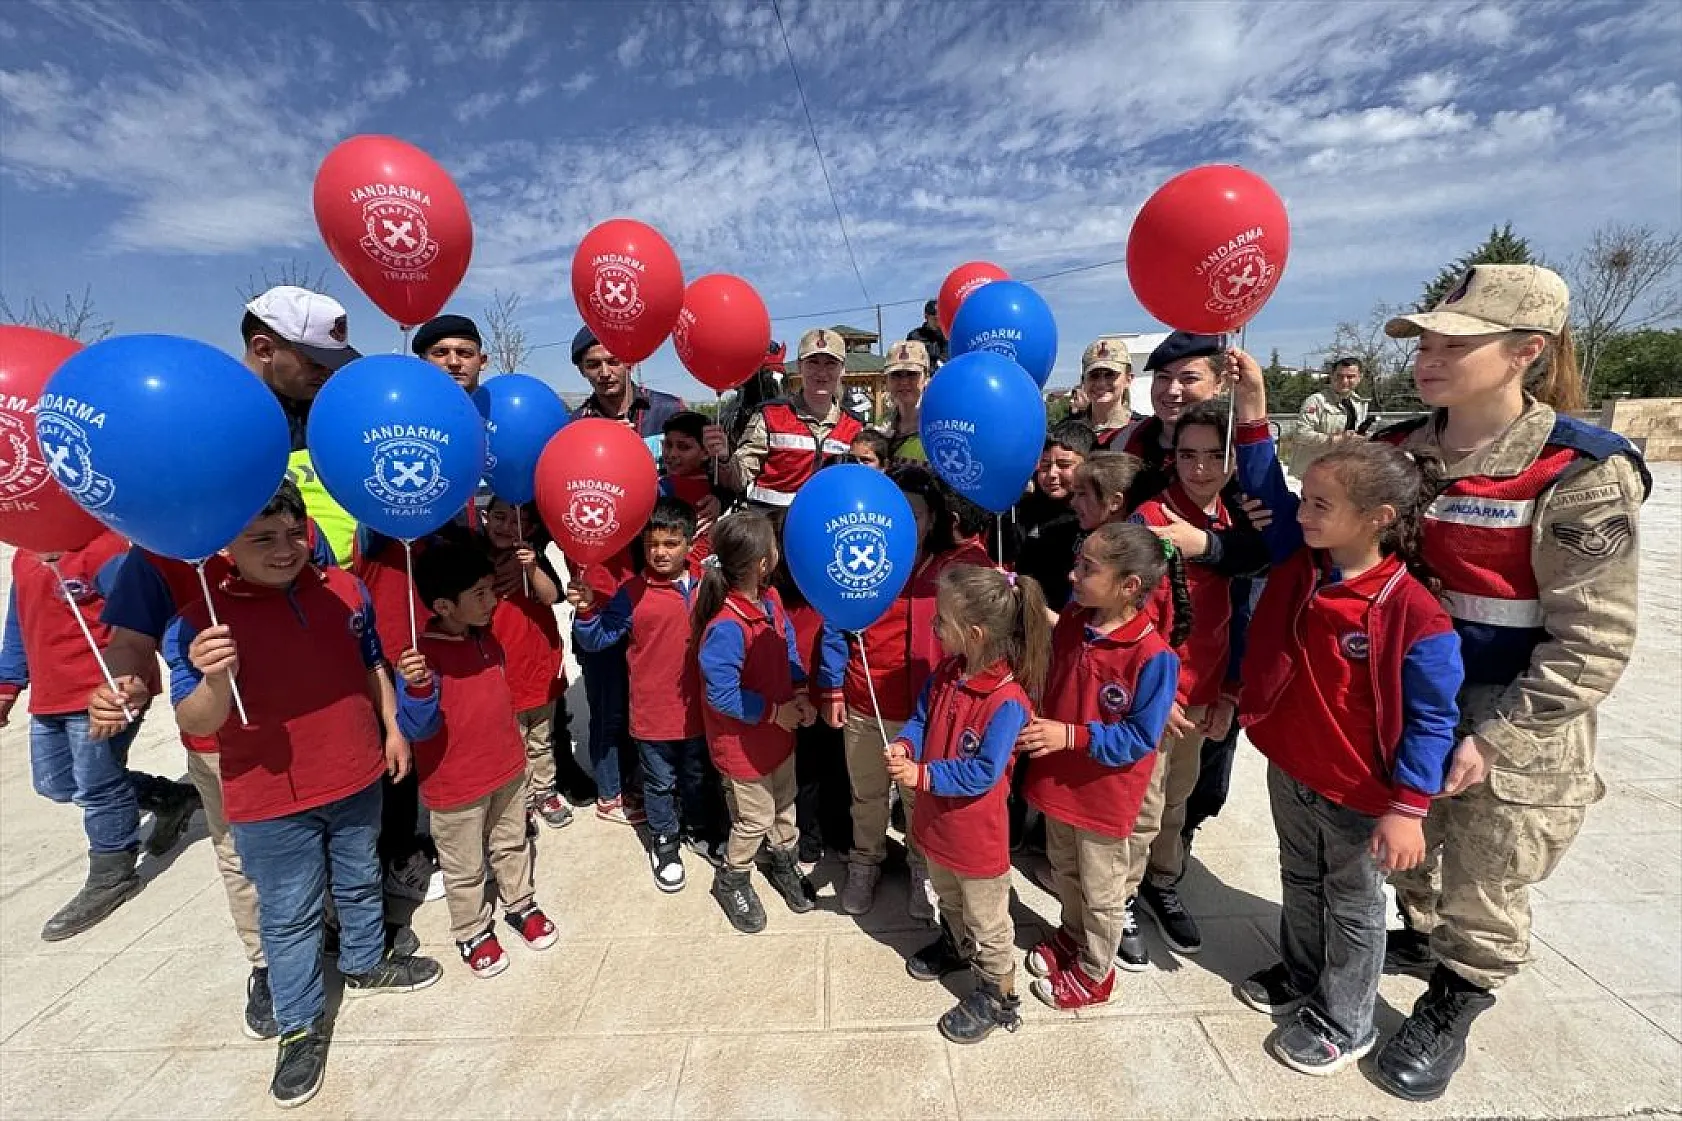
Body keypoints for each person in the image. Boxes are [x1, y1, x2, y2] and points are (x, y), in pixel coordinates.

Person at [1371, 265, 1649, 1100]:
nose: (1430, 355)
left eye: (1456, 341)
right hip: (1413, 702)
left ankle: (1457, 995)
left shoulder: (1578, 470)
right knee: (1411, 851)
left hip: (1508, 715)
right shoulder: (1399, 452)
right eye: (1425, 339)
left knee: (1488, 873)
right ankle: (1419, 934)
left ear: (1526, 351)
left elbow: (1593, 639)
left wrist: (1498, 739)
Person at [163, 480, 441, 1108]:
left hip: (355, 771)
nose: (284, 548)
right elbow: (198, 721)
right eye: (262, 538)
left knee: (358, 876)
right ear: (227, 544)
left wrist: (393, 728)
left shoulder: (344, 589)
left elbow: (373, 662)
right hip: (268, 796)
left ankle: (367, 961)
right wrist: (213, 678)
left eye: (294, 532)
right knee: (288, 914)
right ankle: (299, 1024)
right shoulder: (198, 624)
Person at [1229, 357, 1463, 1077]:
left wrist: (1409, 807)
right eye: (1307, 501)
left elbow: (1430, 719)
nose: (1302, 513)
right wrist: (1256, 407)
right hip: (1292, 770)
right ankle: (1300, 974)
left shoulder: (1411, 612)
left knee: (1358, 907)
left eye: (1321, 504)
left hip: (1361, 795)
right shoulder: (1304, 561)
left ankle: (1345, 1017)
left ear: (1378, 519)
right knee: (1298, 879)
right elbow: (1265, 481)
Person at [0, 532, 198, 941]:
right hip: (50, 694)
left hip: (104, 691)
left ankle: (113, 870)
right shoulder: (25, 554)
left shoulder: (103, 550)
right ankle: (170, 797)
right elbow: (18, 625)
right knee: (55, 783)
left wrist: (171, 675)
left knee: (98, 784)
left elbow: (144, 617)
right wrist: (7, 683)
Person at [1020, 522, 1183, 1009]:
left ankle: (1096, 973)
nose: (1073, 576)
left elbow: (1138, 739)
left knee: (1102, 889)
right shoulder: (1075, 617)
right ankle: (1071, 938)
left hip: (1105, 797)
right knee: (1065, 871)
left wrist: (1068, 735)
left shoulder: (1153, 656)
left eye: (1087, 569)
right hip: (1059, 782)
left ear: (1129, 586)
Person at [888, 566, 1047, 1044]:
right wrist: (906, 746)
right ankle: (958, 946)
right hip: (937, 825)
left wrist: (922, 776)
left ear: (974, 634)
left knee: (989, 920)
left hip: (977, 840)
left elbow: (982, 773)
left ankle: (1000, 993)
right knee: (949, 899)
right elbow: (919, 718)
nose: (934, 628)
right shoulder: (948, 673)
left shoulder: (1008, 701)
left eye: (941, 621)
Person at [393, 540, 559, 980]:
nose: (492, 601)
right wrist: (419, 689)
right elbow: (417, 729)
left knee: (512, 843)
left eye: (491, 590)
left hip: (507, 770)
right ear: (445, 605)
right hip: (456, 787)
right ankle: (471, 929)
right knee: (464, 865)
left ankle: (521, 903)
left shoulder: (486, 640)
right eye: (480, 595)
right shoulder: (419, 661)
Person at [1123, 400, 1246, 961]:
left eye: (1212, 457)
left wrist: (1229, 690)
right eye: (1188, 456)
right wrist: (1153, 698)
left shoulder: (1240, 521)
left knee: (1178, 799)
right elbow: (1128, 621)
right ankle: (1119, 896)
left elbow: (1244, 612)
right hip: (1154, 697)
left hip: (1204, 690)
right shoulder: (1149, 520)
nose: (1200, 470)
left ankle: (1161, 881)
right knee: (1140, 805)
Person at [571, 498, 721, 892]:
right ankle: (665, 841)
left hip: (700, 712)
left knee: (696, 776)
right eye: (653, 544)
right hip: (653, 716)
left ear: (690, 544)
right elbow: (597, 637)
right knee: (658, 784)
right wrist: (586, 611)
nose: (660, 552)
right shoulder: (631, 593)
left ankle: (699, 829)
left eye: (671, 543)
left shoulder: (709, 584)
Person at [829, 466, 950, 920]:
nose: (905, 523)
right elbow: (832, 627)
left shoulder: (949, 569)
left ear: (933, 518)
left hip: (926, 711)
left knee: (919, 798)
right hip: (865, 702)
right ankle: (866, 860)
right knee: (868, 794)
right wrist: (832, 688)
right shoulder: (863, 563)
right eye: (894, 513)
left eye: (914, 514)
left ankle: (921, 866)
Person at [693, 512, 818, 932]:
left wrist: (799, 693)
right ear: (763, 560)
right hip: (744, 745)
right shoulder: (727, 625)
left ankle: (784, 862)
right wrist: (772, 711)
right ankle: (734, 875)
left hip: (779, 736)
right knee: (753, 819)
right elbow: (722, 693)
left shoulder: (771, 600)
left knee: (785, 804)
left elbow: (788, 650)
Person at [245, 285, 363, 563]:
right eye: (316, 362)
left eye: (335, 362)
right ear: (264, 349)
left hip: (342, 587)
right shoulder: (217, 421)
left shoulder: (330, 410)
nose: (328, 372)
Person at [481, 496, 572, 830]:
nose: (506, 527)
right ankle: (519, 803)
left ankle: (544, 792)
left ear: (531, 528)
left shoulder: (533, 560)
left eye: (516, 520)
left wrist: (532, 567)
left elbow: (552, 596)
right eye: (499, 517)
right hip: (502, 674)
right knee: (512, 744)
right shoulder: (477, 563)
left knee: (541, 740)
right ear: (485, 518)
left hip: (539, 669)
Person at [705, 327, 865, 508]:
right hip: (771, 530)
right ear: (799, 366)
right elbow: (737, 480)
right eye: (813, 362)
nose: (821, 373)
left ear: (843, 369)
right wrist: (725, 459)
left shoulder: (855, 427)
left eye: (830, 364)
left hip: (823, 531)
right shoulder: (769, 416)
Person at [1013, 419, 1096, 611]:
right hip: (1026, 615)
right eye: (1045, 465)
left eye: (1064, 464)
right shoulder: (1026, 506)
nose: (1052, 473)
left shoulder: (1094, 518)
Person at [569, 325, 685, 435]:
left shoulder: (669, 410)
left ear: (630, 362)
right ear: (582, 370)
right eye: (594, 365)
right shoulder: (577, 424)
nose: (605, 373)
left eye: (613, 362)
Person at [656, 411, 728, 569]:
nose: (672, 454)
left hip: (678, 569)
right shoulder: (712, 485)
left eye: (684, 447)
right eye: (668, 445)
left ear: (705, 453)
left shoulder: (665, 488)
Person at [1290, 357, 1369, 479]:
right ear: (1332, 376)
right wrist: (1337, 439)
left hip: (1341, 470)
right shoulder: (1316, 401)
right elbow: (1301, 434)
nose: (1344, 381)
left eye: (1350, 377)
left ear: (1359, 377)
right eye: (1339, 376)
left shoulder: (1360, 403)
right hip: (1313, 472)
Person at [872, 340, 932, 465]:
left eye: (912, 374)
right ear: (887, 380)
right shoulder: (881, 427)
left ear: (926, 378)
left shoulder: (938, 426)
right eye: (896, 375)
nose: (904, 382)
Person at [1072, 339, 1135, 448]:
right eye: (1094, 375)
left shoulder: (1142, 431)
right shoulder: (1069, 431)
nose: (1101, 383)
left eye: (1110, 375)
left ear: (1128, 379)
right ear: (1083, 381)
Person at [1069, 451, 1145, 534]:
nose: (1073, 503)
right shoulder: (1075, 531)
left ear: (1114, 502)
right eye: (1074, 493)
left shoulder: (1131, 546)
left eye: (1081, 494)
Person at [411, 314, 488, 392]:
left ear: (482, 362)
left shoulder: (498, 402)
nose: (454, 362)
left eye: (465, 353)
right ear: (423, 362)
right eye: (440, 353)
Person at [907, 298, 949, 367]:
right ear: (926, 317)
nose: (938, 323)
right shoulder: (914, 337)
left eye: (940, 318)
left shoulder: (946, 336)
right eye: (935, 319)